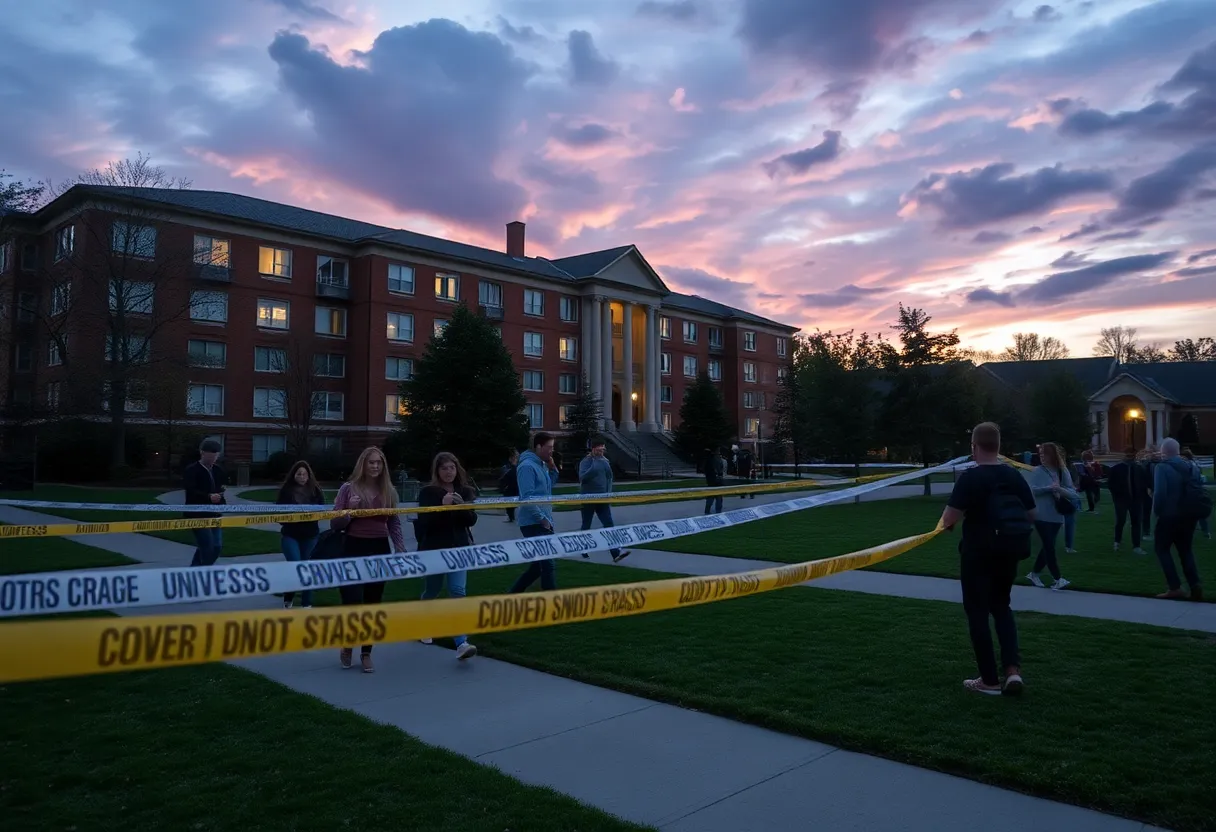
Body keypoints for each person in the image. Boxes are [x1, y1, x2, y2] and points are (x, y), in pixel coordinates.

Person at [939, 422, 1034, 696]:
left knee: (978, 613)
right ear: (999, 447)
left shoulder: (970, 478)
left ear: (974, 447)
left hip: (977, 554)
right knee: (1002, 607)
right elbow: (1032, 514)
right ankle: (1012, 672)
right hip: (1009, 551)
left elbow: (948, 520)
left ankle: (989, 680)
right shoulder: (1014, 476)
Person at [329, 446, 407, 672]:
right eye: (371, 462)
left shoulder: (389, 491)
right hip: (353, 546)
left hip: (379, 547)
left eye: (379, 463)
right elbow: (334, 523)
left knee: (373, 602)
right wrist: (349, 512)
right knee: (352, 600)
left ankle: (366, 651)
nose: (375, 466)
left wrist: (399, 547)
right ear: (363, 464)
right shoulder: (348, 489)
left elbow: (393, 522)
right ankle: (347, 644)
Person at [415, 452, 478, 660]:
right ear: (437, 471)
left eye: (451, 468)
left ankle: (461, 642)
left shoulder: (466, 491)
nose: (448, 472)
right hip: (435, 549)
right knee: (432, 590)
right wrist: (442, 507)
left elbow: (471, 520)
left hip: (459, 549)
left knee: (458, 590)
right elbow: (425, 524)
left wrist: (460, 507)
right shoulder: (428, 493)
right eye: (444, 468)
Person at [1152, 438, 1204, 601]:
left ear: (1163, 451)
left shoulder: (1162, 467)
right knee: (1186, 551)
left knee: (1162, 549)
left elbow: (1160, 494)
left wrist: (1156, 512)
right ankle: (1195, 585)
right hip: (1189, 516)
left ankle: (1174, 587)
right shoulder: (1191, 466)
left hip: (1169, 516)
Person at [509, 432, 561, 593]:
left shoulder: (541, 464)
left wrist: (553, 470)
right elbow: (526, 497)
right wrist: (542, 519)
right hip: (533, 523)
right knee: (547, 564)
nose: (552, 451)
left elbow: (547, 488)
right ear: (538, 446)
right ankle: (551, 602)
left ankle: (513, 595)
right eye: (549, 447)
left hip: (544, 521)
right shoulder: (527, 467)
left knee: (538, 566)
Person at [1025, 442, 1077, 591]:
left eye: (1045, 454)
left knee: (1048, 547)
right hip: (1041, 514)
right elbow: (1032, 490)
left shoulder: (1062, 471)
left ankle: (1034, 574)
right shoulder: (1037, 471)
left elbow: (1072, 493)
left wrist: (1059, 490)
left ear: (1053, 455)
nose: (1042, 457)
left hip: (1057, 514)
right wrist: (1048, 488)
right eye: (1040, 454)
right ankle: (1058, 578)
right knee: (1049, 546)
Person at [277, 460, 325, 609]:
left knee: (307, 568)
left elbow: (323, 510)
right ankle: (289, 596)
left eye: (304, 474)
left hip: (310, 536)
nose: (302, 476)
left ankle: (307, 604)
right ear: (294, 475)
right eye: (299, 474)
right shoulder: (286, 491)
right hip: (291, 535)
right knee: (295, 566)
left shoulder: (316, 491)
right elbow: (279, 514)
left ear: (309, 475)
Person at [578, 438, 630, 563]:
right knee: (586, 525)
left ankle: (616, 553)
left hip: (602, 499)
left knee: (609, 525)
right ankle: (583, 549)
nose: (602, 452)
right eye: (599, 449)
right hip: (588, 499)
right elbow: (583, 478)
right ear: (593, 449)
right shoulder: (586, 462)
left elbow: (609, 478)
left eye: (603, 449)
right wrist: (595, 462)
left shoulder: (605, 462)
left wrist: (608, 494)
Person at [183, 438, 227, 567]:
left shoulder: (217, 470)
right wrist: (208, 497)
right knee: (207, 545)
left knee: (217, 546)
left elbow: (220, 488)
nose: (214, 458)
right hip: (198, 514)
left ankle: (196, 570)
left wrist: (220, 498)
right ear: (202, 453)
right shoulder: (192, 470)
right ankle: (201, 573)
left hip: (214, 514)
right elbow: (190, 490)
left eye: (217, 455)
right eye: (212, 455)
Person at [1108, 446, 1147, 555]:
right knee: (1121, 521)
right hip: (1121, 499)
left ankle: (1136, 546)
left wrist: (1141, 496)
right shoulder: (1117, 469)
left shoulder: (1139, 468)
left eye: (1132, 455)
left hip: (1136, 500)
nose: (1130, 457)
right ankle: (1117, 541)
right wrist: (1116, 496)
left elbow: (1144, 483)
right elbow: (1111, 484)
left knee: (1136, 522)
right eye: (1128, 455)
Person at [1181, 448, 1211, 540]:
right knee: (1200, 514)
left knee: (1190, 514)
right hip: (1199, 491)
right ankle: (1206, 532)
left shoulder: (1188, 466)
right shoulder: (1196, 465)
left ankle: (1188, 533)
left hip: (1191, 492)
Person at [498, 449, 519, 523]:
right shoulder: (506, 467)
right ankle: (510, 516)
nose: (515, 459)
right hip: (509, 488)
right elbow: (503, 478)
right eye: (514, 457)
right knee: (509, 502)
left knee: (516, 501)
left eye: (516, 457)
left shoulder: (518, 466)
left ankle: (513, 516)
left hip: (516, 487)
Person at [704, 447, 725, 514]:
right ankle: (718, 511)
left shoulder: (709, 459)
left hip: (711, 481)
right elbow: (720, 469)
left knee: (711, 497)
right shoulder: (717, 460)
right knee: (718, 497)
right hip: (717, 480)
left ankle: (707, 510)